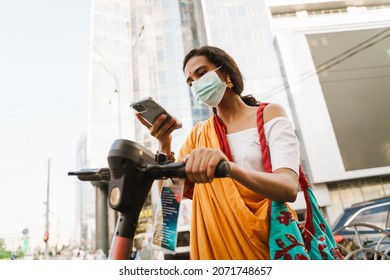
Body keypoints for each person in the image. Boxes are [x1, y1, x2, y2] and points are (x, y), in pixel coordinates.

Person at [135, 46, 300, 260]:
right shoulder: (199, 135)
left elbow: (288, 188)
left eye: (202, 73)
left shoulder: (269, 114)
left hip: (268, 244)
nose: (196, 84)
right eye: (190, 81)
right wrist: (164, 145)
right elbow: (170, 203)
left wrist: (229, 169)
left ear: (226, 73)